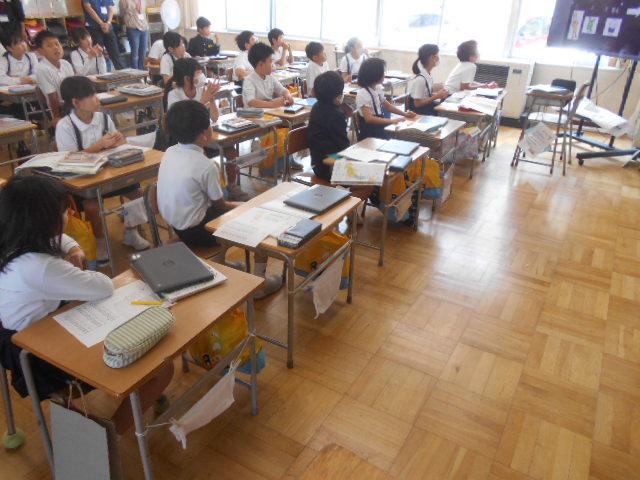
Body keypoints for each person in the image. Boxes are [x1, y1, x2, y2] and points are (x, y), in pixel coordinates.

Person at [0, 176, 173, 434]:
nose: (68, 217)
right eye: (64, 213)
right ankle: (109, 434)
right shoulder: (39, 267)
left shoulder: (14, 242)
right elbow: (103, 286)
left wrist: (73, 248)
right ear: (46, 222)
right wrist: (77, 265)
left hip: (22, 337)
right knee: (161, 368)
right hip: (39, 359)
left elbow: (62, 239)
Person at [157, 100, 283, 299]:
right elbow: (221, 206)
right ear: (204, 134)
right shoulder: (204, 165)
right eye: (209, 124)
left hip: (177, 227)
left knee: (239, 208)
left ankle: (222, 262)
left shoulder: (170, 152)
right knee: (258, 219)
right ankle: (260, 284)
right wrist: (248, 206)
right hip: (200, 233)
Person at [56, 76, 151, 258]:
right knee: (92, 206)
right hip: (83, 183)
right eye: (91, 96)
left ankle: (131, 231)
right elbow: (68, 160)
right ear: (76, 102)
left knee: (140, 195)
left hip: (110, 174)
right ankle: (99, 240)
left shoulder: (103, 118)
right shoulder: (65, 126)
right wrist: (98, 146)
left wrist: (119, 141)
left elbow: (117, 143)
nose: (97, 100)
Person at [161, 58, 250, 201]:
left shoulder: (201, 89)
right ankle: (211, 192)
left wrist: (212, 99)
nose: (201, 75)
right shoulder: (174, 94)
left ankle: (232, 186)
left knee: (231, 151)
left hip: (204, 135)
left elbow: (214, 118)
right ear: (187, 78)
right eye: (197, 72)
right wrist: (203, 99)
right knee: (205, 160)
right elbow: (183, 122)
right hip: (187, 139)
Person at [307, 71, 372, 202]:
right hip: (330, 166)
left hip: (319, 163)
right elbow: (344, 148)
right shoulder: (336, 115)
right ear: (337, 96)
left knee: (369, 170)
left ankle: (349, 204)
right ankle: (348, 209)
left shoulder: (317, 107)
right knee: (372, 178)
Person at [355, 57, 415, 140]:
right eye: (383, 72)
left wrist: (405, 114)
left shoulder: (377, 88)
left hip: (379, 127)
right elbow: (369, 119)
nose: (384, 75)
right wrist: (393, 121)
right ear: (375, 74)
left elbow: (388, 106)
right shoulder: (363, 93)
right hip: (369, 134)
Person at [34, 30, 75, 125]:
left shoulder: (66, 64)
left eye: (57, 44)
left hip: (74, 103)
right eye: (49, 46)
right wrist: (57, 117)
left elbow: (74, 87)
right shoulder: (42, 68)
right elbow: (52, 96)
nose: (56, 48)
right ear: (41, 51)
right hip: (61, 109)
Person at [242, 42, 293, 108]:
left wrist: (288, 95)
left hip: (268, 112)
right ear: (261, 64)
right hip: (253, 113)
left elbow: (283, 90)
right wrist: (273, 104)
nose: (273, 65)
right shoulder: (249, 80)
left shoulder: (270, 77)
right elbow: (251, 101)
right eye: (270, 61)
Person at [407, 44, 448, 116]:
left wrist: (440, 94)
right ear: (432, 57)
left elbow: (425, 95)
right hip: (418, 112)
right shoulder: (420, 79)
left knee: (444, 109)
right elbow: (417, 104)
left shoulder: (427, 75)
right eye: (437, 55)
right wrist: (436, 96)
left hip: (425, 107)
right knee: (444, 113)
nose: (439, 58)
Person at [82, 0, 124, 70]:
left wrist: (108, 22)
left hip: (108, 27)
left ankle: (122, 72)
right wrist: (101, 23)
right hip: (94, 28)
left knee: (115, 53)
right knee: (98, 53)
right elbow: (88, 8)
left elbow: (111, 8)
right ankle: (102, 73)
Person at [118, 0, 149, 70]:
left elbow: (144, 12)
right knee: (135, 54)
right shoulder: (124, 1)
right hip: (133, 28)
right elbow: (121, 14)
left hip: (144, 28)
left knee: (143, 53)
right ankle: (135, 73)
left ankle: (142, 73)